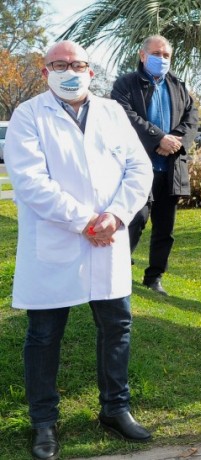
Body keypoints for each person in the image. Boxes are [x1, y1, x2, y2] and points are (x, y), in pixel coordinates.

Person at [5, 41, 154, 459]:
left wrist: (117, 215)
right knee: (44, 335)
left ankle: (115, 409)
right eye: (60, 64)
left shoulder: (111, 112)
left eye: (79, 64)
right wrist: (86, 221)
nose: (71, 71)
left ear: (92, 71)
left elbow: (139, 169)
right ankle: (44, 423)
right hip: (57, 242)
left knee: (117, 327)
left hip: (108, 239)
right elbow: (31, 181)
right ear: (44, 70)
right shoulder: (28, 115)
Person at [111, 35, 198, 296]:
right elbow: (125, 115)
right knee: (135, 219)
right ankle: (118, 268)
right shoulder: (125, 84)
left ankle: (154, 276)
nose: (162, 59)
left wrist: (173, 143)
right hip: (137, 166)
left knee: (165, 228)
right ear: (142, 55)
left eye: (166, 55)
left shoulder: (179, 86)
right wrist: (158, 137)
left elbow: (191, 120)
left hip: (170, 169)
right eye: (156, 53)